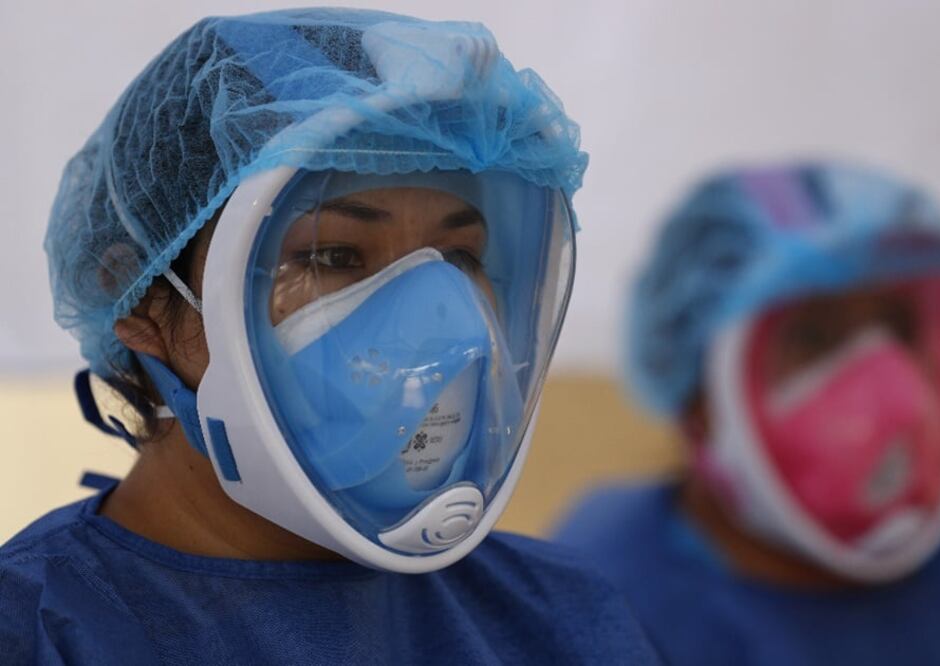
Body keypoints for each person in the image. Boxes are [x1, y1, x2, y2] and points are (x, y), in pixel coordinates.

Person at [0, 9, 660, 664]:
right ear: (143, 296)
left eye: (460, 259)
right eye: (334, 256)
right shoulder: (39, 633)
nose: (437, 323)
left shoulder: (563, 618)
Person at [553, 162, 940, 665]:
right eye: (813, 335)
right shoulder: (588, 617)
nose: (886, 383)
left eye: (899, 328)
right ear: (698, 389)